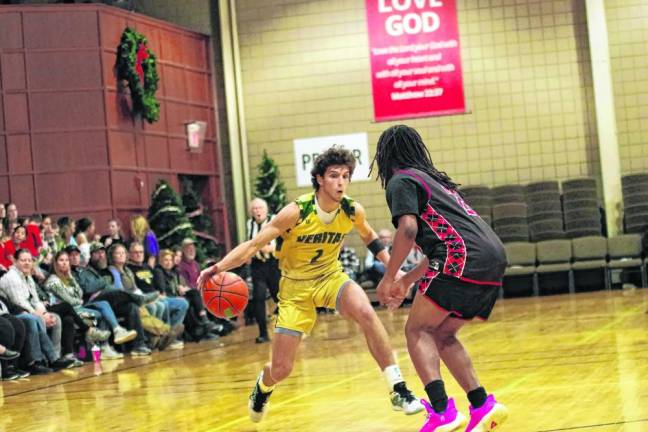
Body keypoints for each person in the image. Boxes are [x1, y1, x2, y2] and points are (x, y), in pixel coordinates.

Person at [198, 146, 423, 423]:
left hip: (331, 277)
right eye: (333, 175)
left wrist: (393, 268)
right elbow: (253, 245)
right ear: (319, 179)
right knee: (281, 369)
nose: (341, 182)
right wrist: (218, 268)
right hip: (295, 290)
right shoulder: (296, 212)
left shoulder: (352, 210)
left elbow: (371, 238)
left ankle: (398, 388)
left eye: (345, 176)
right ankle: (263, 386)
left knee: (366, 311)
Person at [371, 125, 509, 432]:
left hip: (461, 256)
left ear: (385, 157)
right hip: (492, 257)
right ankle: (482, 404)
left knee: (416, 330)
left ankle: (442, 412)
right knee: (443, 333)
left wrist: (388, 276)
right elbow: (439, 246)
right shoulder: (435, 182)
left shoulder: (400, 180)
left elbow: (407, 230)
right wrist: (406, 279)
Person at [245, 198, 281, 344]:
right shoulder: (250, 224)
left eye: (260, 208)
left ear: (266, 210)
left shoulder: (275, 220)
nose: (257, 211)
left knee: (280, 297)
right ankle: (263, 333)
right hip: (258, 265)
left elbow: (281, 243)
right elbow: (250, 243)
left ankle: (295, 329)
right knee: (258, 298)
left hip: (274, 263)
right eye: (254, 209)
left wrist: (270, 248)